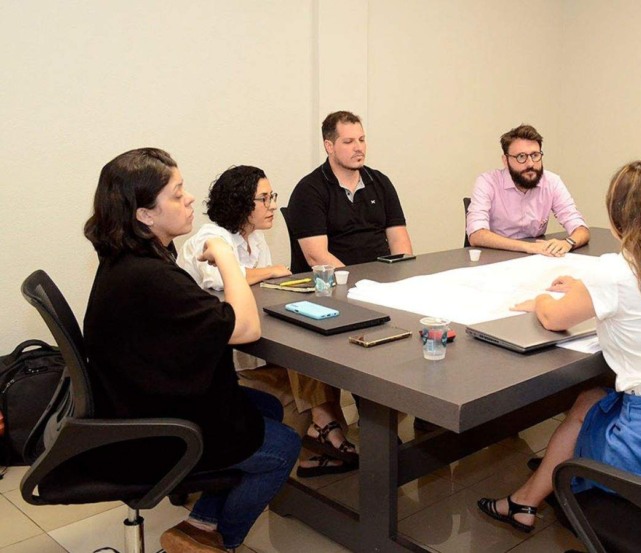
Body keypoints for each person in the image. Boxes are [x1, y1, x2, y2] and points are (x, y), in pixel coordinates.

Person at [477, 161, 641, 532]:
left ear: (618, 215)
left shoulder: (617, 269)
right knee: (588, 398)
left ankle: (526, 500)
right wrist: (584, 288)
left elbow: (554, 319)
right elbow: (639, 301)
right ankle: (526, 501)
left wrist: (541, 300)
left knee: (587, 411)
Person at [82, 148, 301, 553]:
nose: (188, 199)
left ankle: (201, 524)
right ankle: (222, 543)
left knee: (267, 408)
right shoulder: (149, 276)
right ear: (145, 214)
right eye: (177, 192)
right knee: (285, 446)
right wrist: (223, 255)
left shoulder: (132, 257)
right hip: (155, 426)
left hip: (138, 398)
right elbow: (246, 325)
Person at [178, 165, 358, 477]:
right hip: (218, 358)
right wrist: (270, 271)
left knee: (314, 349)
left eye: (272, 196)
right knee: (308, 363)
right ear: (240, 204)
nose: (273, 204)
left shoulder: (255, 239)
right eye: (265, 198)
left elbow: (260, 291)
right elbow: (219, 280)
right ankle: (321, 429)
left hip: (252, 339)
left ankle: (318, 433)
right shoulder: (210, 239)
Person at [287, 110, 412, 270]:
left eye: (361, 140)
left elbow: (399, 241)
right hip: (336, 284)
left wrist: (403, 275)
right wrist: (355, 282)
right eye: (348, 142)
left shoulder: (380, 182)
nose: (358, 148)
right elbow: (316, 257)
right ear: (329, 146)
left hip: (382, 280)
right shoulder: (309, 190)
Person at [466, 124, 590, 256]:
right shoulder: (488, 182)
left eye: (535, 155)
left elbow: (581, 229)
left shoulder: (552, 182)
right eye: (521, 157)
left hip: (536, 258)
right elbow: (476, 234)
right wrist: (527, 247)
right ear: (505, 161)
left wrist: (568, 242)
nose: (530, 163)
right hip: (495, 258)